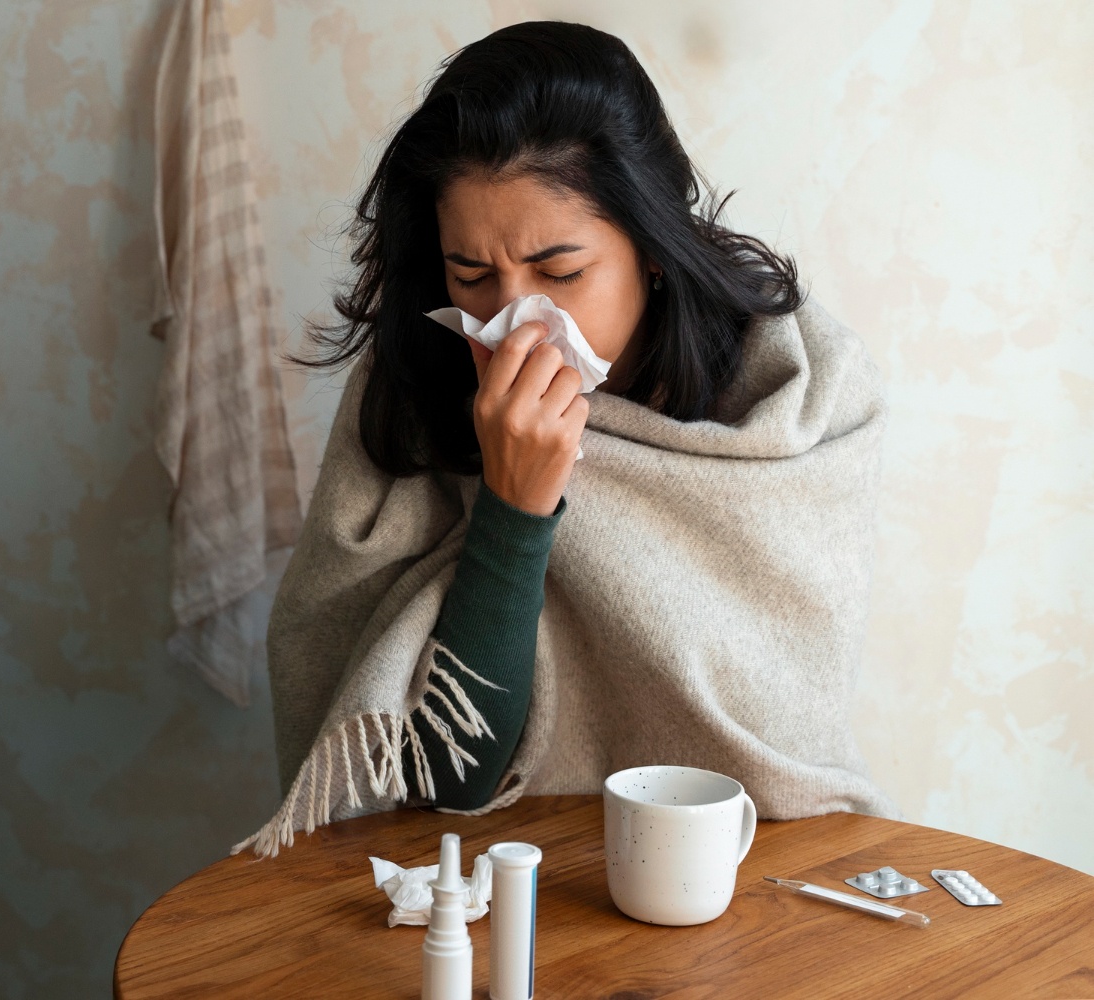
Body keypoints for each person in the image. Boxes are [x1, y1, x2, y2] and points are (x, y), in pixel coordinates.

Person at [236, 21, 899, 858]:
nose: (516, 322)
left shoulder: (802, 401)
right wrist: (514, 510)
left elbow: (774, 741)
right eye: (471, 277)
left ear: (654, 247)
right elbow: (442, 777)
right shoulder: (413, 391)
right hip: (498, 877)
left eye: (560, 273)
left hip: (750, 867)